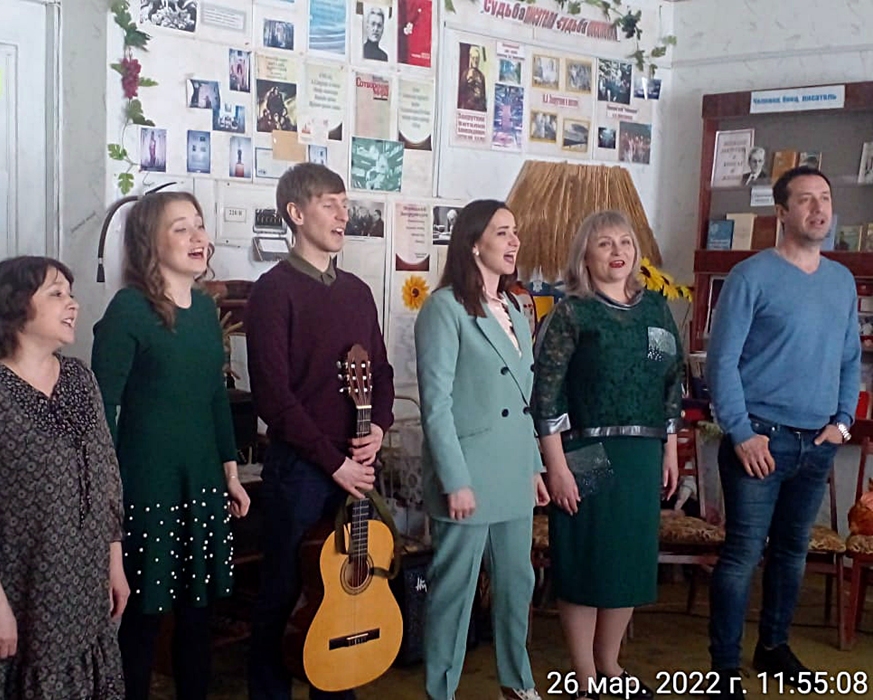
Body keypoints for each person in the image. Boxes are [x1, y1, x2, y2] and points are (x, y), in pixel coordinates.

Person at [0, 256, 127, 699]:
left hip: (84, 578)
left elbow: (106, 476)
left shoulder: (80, 378)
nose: (73, 304)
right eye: (56, 294)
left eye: (71, 294)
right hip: (21, 585)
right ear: (15, 305)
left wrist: (114, 565)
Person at [706, 166, 860, 699]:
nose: (818, 209)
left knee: (794, 554)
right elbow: (721, 362)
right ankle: (723, 668)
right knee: (742, 556)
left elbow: (850, 358)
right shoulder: (750, 276)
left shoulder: (841, 281)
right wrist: (741, 433)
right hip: (759, 440)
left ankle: (772, 647)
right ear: (782, 212)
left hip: (816, 443)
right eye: (805, 200)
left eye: (825, 198)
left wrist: (843, 421)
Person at [244, 162, 394, 700]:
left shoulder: (357, 291)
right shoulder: (273, 292)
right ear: (296, 212)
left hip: (357, 467)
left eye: (344, 204)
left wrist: (379, 428)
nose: (342, 215)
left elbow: (382, 372)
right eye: (329, 204)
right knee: (286, 596)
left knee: (347, 592)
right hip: (301, 473)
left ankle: (338, 689)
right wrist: (335, 464)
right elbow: (274, 399)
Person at [92, 191, 251, 700]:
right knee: (142, 622)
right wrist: (107, 495)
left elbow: (215, 397)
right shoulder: (128, 310)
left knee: (198, 620)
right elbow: (101, 410)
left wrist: (230, 474)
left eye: (199, 225)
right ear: (149, 242)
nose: (197, 237)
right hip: (146, 489)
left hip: (202, 483)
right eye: (181, 227)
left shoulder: (204, 310)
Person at [532, 210, 683, 700]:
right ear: (585, 255)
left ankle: (611, 666)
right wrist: (556, 466)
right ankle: (584, 678)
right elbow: (546, 395)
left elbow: (667, 380)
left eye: (625, 242)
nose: (617, 252)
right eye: (604, 244)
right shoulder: (572, 313)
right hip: (586, 452)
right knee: (588, 559)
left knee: (626, 562)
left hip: (642, 454)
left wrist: (669, 448)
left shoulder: (655, 310)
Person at [415, 200, 548, 700]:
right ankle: (441, 691)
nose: (514, 242)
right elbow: (436, 405)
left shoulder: (516, 308)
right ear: (474, 243)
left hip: (513, 472)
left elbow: (524, 400)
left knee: (518, 585)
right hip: (468, 476)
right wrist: (455, 480)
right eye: (502, 232)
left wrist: (534, 466)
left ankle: (518, 683)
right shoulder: (444, 308)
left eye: (515, 232)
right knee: (454, 593)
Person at [457, 45, 487, 112]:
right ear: (470, 58)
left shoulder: (481, 76)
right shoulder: (466, 73)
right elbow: (461, 91)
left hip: (479, 109)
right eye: (473, 58)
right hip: (467, 108)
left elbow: (483, 96)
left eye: (477, 58)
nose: (475, 60)